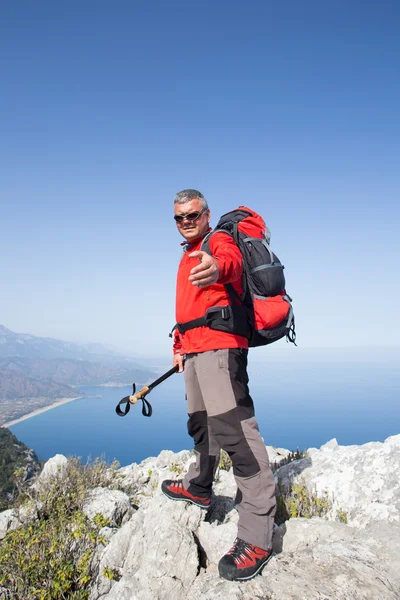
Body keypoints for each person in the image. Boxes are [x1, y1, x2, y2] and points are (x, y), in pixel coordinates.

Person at [161, 189, 276, 582]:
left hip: (220, 349)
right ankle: (199, 485)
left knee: (236, 434)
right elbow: (189, 310)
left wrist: (217, 267)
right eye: (179, 217)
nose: (186, 221)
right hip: (194, 350)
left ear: (206, 214)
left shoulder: (218, 242)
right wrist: (180, 346)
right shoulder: (187, 251)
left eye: (193, 215)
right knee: (202, 425)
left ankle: (257, 535)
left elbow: (229, 263)